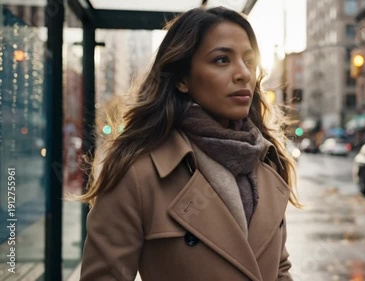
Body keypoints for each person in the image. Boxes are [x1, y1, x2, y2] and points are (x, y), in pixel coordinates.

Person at [79, 6, 300, 281]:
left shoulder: (268, 163)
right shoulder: (138, 173)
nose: (243, 73)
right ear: (183, 79)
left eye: (249, 60)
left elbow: (280, 269)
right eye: (222, 60)